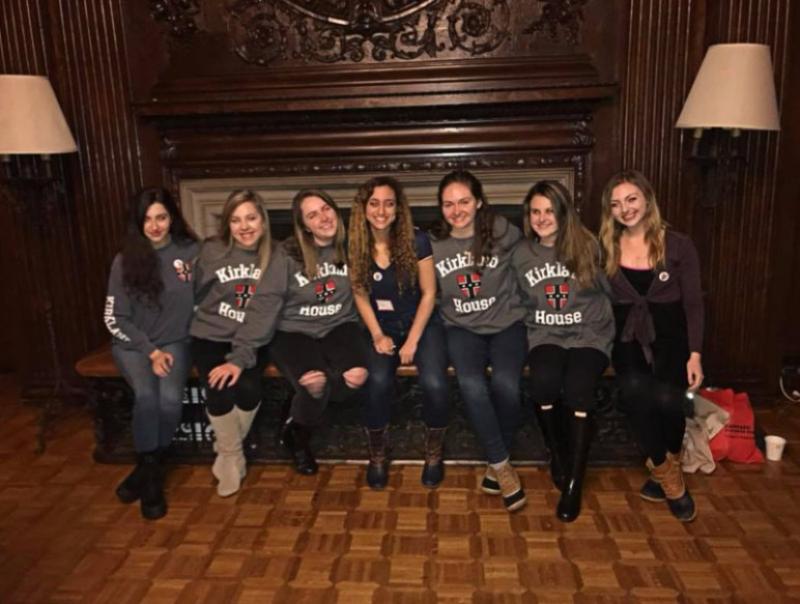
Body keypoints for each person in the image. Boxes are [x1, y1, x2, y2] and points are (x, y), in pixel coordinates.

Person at [209, 189, 369, 476]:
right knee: (315, 383)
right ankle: (296, 435)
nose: (322, 218)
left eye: (325, 209)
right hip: (292, 331)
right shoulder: (286, 255)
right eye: (312, 214)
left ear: (335, 210)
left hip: (339, 325)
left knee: (356, 377)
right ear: (304, 224)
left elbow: (365, 295)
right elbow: (263, 306)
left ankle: (296, 409)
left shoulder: (352, 248)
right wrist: (239, 356)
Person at [599, 169, 703, 522]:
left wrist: (695, 355)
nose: (625, 209)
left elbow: (693, 304)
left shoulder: (678, 244)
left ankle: (668, 456)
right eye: (616, 204)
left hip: (671, 335)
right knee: (634, 391)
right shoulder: (606, 247)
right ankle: (670, 478)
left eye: (631, 199)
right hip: (627, 335)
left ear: (647, 198)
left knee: (669, 400)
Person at [512, 181, 615, 522]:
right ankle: (558, 453)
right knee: (543, 383)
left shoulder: (588, 245)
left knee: (578, 388)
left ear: (563, 212)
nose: (542, 218)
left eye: (549, 211)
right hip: (545, 333)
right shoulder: (522, 253)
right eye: (535, 211)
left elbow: (612, 290)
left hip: (588, 333)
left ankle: (574, 481)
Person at [430, 170, 528, 512]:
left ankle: (494, 460)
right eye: (448, 204)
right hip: (461, 328)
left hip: (507, 324)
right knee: (471, 383)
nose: (456, 210)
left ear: (479, 202)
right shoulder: (434, 243)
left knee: (507, 385)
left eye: (464, 202)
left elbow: (534, 259)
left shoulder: (503, 231)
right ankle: (502, 465)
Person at [348, 176, 449, 489]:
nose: (381, 210)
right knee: (376, 380)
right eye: (374, 203)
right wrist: (378, 335)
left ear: (398, 208)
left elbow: (429, 293)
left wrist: (413, 341)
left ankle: (433, 453)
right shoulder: (355, 243)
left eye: (389, 203)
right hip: (382, 327)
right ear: (364, 208)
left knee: (434, 382)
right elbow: (360, 293)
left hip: (421, 323)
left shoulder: (417, 240)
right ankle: (377, 453)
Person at [104, 187, 199, 519]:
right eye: (147, 219)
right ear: (138, 222)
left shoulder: (191, 252)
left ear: (172, 218)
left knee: (171, 401)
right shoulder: (124, 260)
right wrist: (150, 351)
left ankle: (146, 469)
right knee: (147, 396)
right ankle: (153, 478)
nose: (155, 225)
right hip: (135, 343)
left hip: (176, 342)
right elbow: (115, 318)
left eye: (161, 217)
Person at [190, 190, 273, 498]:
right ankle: (232, 455)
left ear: (263, 221)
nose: (245, 226)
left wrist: (240, 356)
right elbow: (193, 292)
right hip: (210, 333)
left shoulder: (276, 257)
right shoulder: (211, 252)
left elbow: (268, 312)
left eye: (251, 218)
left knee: (250, 390)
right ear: (227, 225)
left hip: (253, 337)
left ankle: (225, 450)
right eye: (236, 220)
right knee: (218, 388)